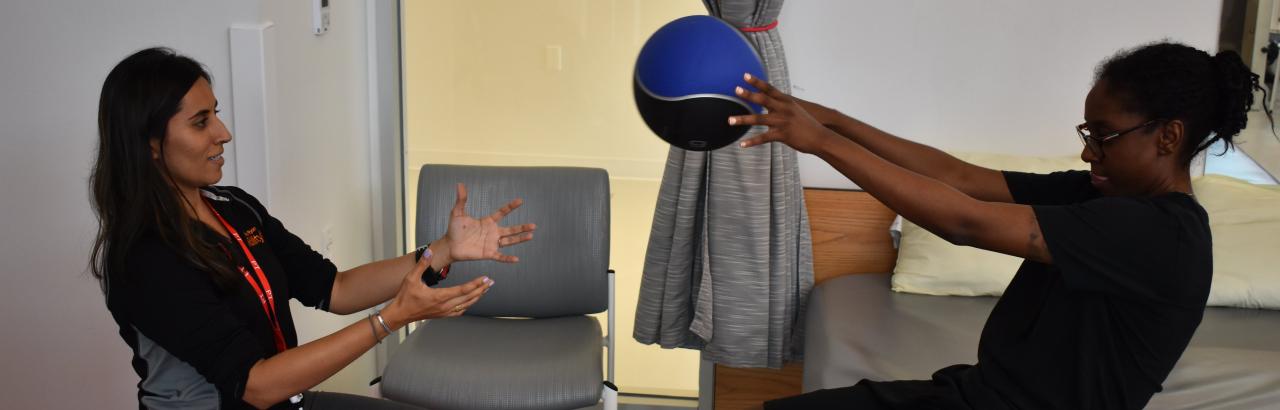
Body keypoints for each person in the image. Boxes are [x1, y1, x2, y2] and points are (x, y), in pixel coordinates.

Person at [732, 42, 1260, 409]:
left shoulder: (1162, 235)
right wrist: (831, 120)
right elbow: (958, 177)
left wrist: (821, 143)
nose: (1087, 151)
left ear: (1167, 137)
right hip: (979, 394)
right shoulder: (1100, 192)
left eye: (1104, 135)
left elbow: (965, 221)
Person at [89, 47, 536, 409]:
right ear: (149, 144)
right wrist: (389, 320)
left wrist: (442, 251)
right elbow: (256, 385)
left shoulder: (235, 208)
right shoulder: (144, 258)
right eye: (201, 122)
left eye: (216, 114)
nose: (223, 133)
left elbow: (335, 288)